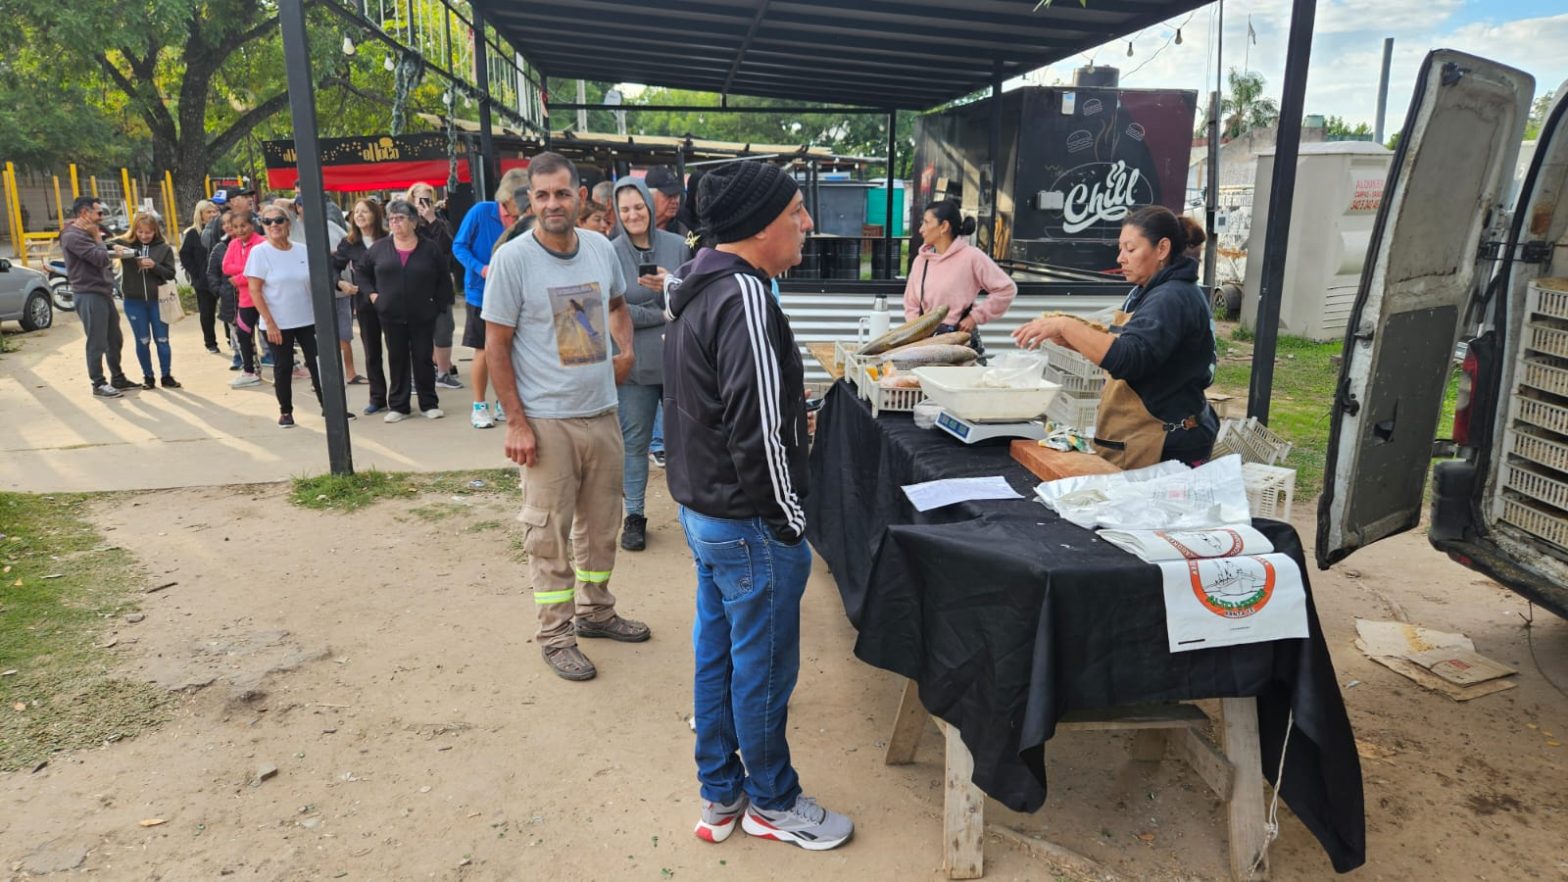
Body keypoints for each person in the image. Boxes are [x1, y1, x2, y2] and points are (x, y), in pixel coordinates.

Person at [662, 161, 854, 851]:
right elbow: (759, 427)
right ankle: (773, 801)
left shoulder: (699, 286)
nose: (808, 223)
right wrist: (789, 519)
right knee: (763, 668)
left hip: (709, 513)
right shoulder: (742, 292)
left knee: (719, 656)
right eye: (797, 210)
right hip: (747, 522)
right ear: (759, 224)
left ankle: (721, 796)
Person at [481, 151, 648, 681]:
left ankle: (596, 612)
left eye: (562, 193)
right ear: (530, 200)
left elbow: (618, 306)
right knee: (548, 535)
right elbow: (496, 346)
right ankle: (556, 635)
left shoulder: (599, 248)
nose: (552, 203)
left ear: (581, 197)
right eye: (542, 195)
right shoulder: (513, 260)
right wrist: (515, 422)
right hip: (546, 421)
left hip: (602, 412)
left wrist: (626, 352)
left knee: (601, 527)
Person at [1013, 205, 1217, 468]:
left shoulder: (1170, 297)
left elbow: (1130, 358)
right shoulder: (1149, 291)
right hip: (1142, 434)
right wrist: (1075, 342)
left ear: (1162, 249)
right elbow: (1134, 347)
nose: (1121, 258)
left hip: (1163, 441)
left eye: (1130, 249)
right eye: (1120, 249)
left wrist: (1066, 326)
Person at [609, 177, 689, 552]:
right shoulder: (611, 253)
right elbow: (614, 309)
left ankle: (694, 513)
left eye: (638, 207)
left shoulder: (678, 246)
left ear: (649, 206)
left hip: (677, 362)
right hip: (635, 365)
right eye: (625, 209)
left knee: (685, 442)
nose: (633, 215)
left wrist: (671, 289)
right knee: (635, 443)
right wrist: (663, 312)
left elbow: (693, 297)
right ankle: (635, 517)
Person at [357, 200, 449, 422]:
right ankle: (399, 405)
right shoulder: (379, 248)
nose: (395, 223)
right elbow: (362, 272)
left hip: (423, 313)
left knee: (423, 357)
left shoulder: (429, 248)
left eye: (400, 218)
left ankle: (429, 403)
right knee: (397, 357)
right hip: (390, 313)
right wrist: (373, 296)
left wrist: (438, 305)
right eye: (391, 219)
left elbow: (443, 277)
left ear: (414, 222)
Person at [245, 205, 336, 428]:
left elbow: (316, 282)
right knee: (283, 366)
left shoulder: (302, 250)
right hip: (278, 323)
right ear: (262, 226)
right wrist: (270, 322)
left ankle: (329, 407)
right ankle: (285, 411)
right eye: (267, 222)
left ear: (288, 223)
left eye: (279, 220)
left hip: (308, 319)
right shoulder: (259, 253)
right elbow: (255, 291)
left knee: (318, 363)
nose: (274, 225)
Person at [453, 167, 530, 429]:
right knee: (485, 351)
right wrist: (480, 268)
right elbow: (459, 246)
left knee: (512, 350)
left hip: (515, 293)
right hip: (481, 293)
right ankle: (479, 406)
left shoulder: (527, 217)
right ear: (506, 197)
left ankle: (503, 402)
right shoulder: (481, 212)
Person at [903, 199, 1017, 358]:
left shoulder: (971, 257)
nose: (921, 229)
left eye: (927, 222)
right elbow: (911, 304)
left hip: (962, 345)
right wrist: (917, 333)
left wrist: (975, 317)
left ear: (944, 226)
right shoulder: (921, 261)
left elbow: (1006, 289)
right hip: (927, 346)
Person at [60, 196, 136, 398]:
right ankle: (98, 383)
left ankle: (117, 378)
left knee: (114, 338)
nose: (102, 217)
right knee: (97, 341)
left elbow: (101, 250)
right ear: (85, 213)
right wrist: (98, 238)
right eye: (99, 213)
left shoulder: (87, 232)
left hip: (103, 291)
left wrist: (111, 246)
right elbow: (99, 258)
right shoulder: (72, 236)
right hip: (89, 293)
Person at [110, 212, 181, 389]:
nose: (144, 236)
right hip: (134, 302)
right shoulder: (126, 244)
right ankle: (148, 377)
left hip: (159, 301)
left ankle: (166, 376)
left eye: (148, 232)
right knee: (143, 340)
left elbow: (170, 273)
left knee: (162, 340)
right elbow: (103, 245)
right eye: (140, 232)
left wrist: (155, 266)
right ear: (134, 230)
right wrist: (116, 247)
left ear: (155, 231)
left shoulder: (163, 248)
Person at [334, 199, 389, 413]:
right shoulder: (349, 243)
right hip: (365, 303)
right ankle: (377, 398)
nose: (359, 215)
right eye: (356, 212)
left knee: (397, 350)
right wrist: (341, 283)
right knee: (372, 352)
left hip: (391, 300)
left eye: (364, 211)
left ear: (375, 214)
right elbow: (333, 267)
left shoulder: (388, 238)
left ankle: (400, 395)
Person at [407, 181, 461, 390]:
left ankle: (443, 373)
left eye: (428, 199)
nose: (424, 204)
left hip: (440, 285)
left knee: (444, 330)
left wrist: (431, 219)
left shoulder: (439, 220)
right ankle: (416, 376)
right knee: (416, 333)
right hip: (415, 286)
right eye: (420, 199)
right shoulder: (407, 221)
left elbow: (446, 247)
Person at [222, 210, 267, 387]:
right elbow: (226, 267)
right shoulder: (233, 244)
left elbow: (261, 271)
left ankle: (289, 367)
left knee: (270, 334)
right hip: (246, 299)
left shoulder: (261, 243)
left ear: (252, 225)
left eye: (243, 225)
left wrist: (240, 277)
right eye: (235, 227)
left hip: (263, 298)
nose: (240, 230)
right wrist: (247, 268)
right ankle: (250, 371)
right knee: (243, 334)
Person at [180, 199, 221, 353]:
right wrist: (196, 274)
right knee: (207, 312)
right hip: (203, 281)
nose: (212, 214)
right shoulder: (193, 233)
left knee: (227, 310)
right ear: (200, 214)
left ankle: (232, 340)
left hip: (221, 278)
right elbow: (185, 256)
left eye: (214, 211)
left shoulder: (222, 230)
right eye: (208, 212)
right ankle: (210, 343)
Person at [645, 166, 689, 237]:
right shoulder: (635, 226)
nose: (675, 201)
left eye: (677, 195)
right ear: (650, 196)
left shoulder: (682, 231)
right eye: (669, 195)